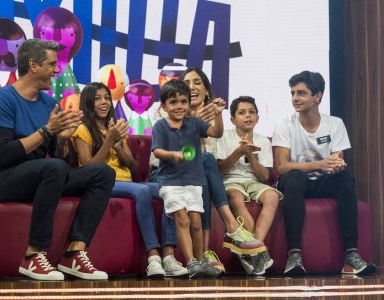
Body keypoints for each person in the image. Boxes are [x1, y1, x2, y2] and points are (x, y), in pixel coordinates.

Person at [0, 39, 115, 281]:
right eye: (52, 64)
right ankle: (33, 256)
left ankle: (74, 252)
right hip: (1, 180)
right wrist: (46, 131)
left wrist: (62, 139)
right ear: (33, 65)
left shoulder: (50, 104)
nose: (56, 70)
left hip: (40, 176)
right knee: (53, 167)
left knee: (103, 174)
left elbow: (57, 157)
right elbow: (2, 156)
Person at [71, 82, 188, 278]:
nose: (104, 102)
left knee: (171, 189)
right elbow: (89, 168)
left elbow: (134, 170)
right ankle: (152, 257)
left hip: (127, 182)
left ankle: (168, 255)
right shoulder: (83, 130)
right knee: (141, 191)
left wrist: (117, 146)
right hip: (101, 184)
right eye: (98, 98)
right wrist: (109, 141)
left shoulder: (116, 128)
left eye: (107, 98)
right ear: (88, 103)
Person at [152, 79, 265, 278]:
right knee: (182, 219)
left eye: (183, 101)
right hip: (170, 182)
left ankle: (201, 260)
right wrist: (174, 155)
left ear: (188, 102)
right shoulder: (160, 126)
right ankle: (191, 262)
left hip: (194, 181)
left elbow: (216, 132)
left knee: (196, 222)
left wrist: (219, 114)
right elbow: (158, 151)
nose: (179, 106)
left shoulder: (194, 123)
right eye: (173, 102)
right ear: (163, 106)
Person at [272, 71, 377, 276]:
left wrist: (336, 166)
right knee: (293, 177)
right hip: (295, 183)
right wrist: (321, 163)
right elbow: (282, 167)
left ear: (318, 96)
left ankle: (352, 256)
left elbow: (336, 161)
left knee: (345, 179)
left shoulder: (334, 124)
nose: (295, 98)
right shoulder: (285, 123)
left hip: (322, 181)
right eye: (293, 93)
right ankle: (294, 255)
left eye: (301, 93)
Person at [217, 96, 282, 275]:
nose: (248, 116)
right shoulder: (223, 137)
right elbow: (219, 171)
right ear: (233, 119)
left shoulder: (263, 141)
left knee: (273, 195)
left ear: (258, 118)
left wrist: (251, 156)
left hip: (254, 183)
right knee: (235, 197)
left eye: (252, 112)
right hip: (230, 181)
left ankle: (254, 251)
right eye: (242, 112)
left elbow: (264, 177)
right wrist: (239, 152)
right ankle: (259, 253)